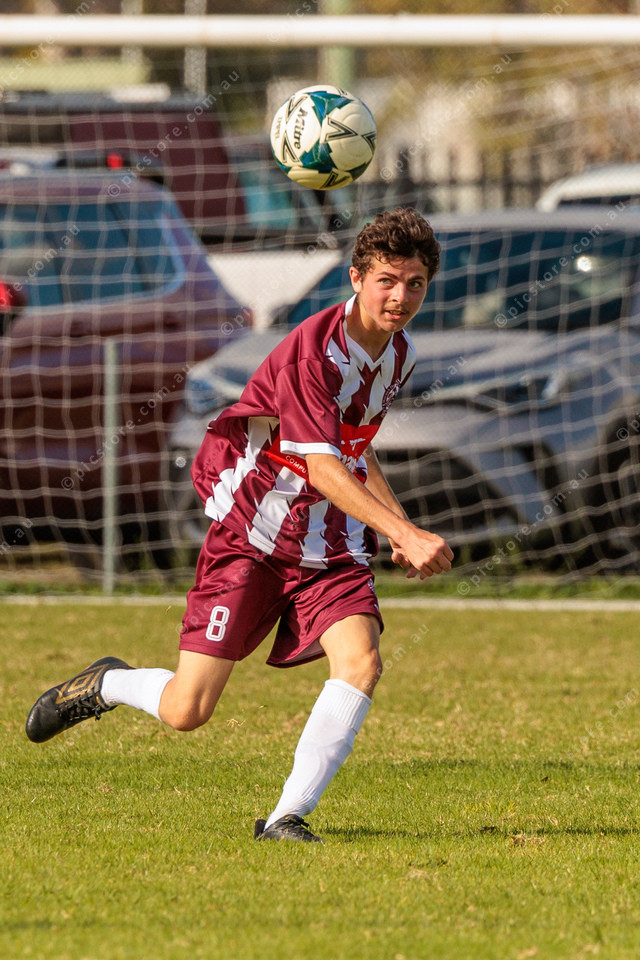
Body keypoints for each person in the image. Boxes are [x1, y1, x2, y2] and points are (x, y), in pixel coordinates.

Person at [25, 207, 454, 843]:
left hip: (329, 544)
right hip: (253, 537)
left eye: (415, 283)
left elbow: (355, 452)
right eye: (387, 280)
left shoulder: (398, 354)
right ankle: (107, 683)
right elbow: (321, 465)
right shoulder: (314, 351)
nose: (401, 297)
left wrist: (398, 527)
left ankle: (286, 817)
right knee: (187, 709)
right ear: (357, 278)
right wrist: (408, 534)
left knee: (362, 661)